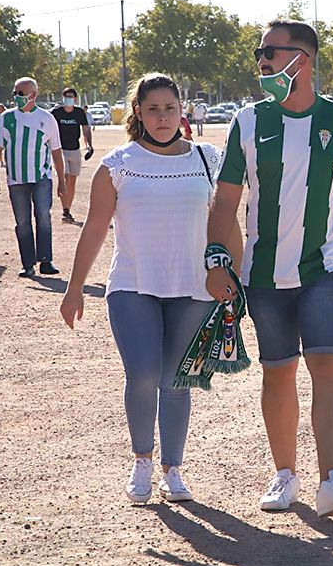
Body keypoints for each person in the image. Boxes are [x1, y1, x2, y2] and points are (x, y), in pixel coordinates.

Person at [206, 20, 333, 518]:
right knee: (278, 372)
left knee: (328, 364)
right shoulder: (247, 121)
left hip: (326, 265)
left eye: (270, 52)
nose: (261, 61)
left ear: (301, 59)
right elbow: (225, 201)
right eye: (259, 52)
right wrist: (217, 258)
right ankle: (285, 477)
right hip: (263, 274)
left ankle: (332, 481)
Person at [60, 72, 242, 505]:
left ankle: (172, 470)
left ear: (183, 112)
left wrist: (233, 274)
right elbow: (94, 229)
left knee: (178, 379)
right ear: (138, 113)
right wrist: (73, 288)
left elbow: (229, 222)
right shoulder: (117, 165)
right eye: (153, 109)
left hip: (194, 286)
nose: (162, 117)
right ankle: (142, 459)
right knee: (142, 375)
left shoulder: (209, 160)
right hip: (133, 285)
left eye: (170, 108)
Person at [0, 76, 66, 277]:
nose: (16, 97)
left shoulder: (47, 119)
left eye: (20, 94)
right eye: (14, 93)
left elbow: (56, 152)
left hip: (41, 178)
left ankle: (46, 260)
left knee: (43, 216)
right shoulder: (6, 118)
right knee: (22, 222)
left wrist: (62, 182)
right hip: (16, 180)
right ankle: (28, 264)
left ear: (33, 95)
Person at [51, 87, 94, 224]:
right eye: (65, 96)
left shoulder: (79, 112)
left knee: (72, 181)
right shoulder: (56, 112)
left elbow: (86, 129)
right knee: (65, 177)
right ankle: (65, 210)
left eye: (70, 96)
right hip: (60, 150)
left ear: (75, 98)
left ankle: (68, 208)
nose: (67, 99)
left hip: (75, 149)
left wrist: (90, 145)